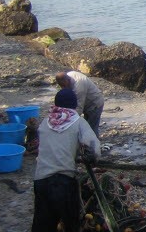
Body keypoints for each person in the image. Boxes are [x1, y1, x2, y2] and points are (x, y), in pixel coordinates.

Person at [32, 88, 100, 232]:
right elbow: (94, 149)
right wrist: (90, 159)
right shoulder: (78, 121)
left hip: (41, 180)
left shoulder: (45, 122)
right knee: (71, 224)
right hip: (63, 182)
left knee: (42, 223)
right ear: (74, 105)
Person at [56, 71, 104, 138]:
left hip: (95, 103)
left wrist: (68, 122)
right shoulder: (67, 76)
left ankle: (94, 146)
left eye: (64, 85)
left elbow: (79, 108)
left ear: (68, 80)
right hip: (86, 103)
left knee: (91, 129)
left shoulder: (79, 86)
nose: (63, 88)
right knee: (86, 126)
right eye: (61, 86)